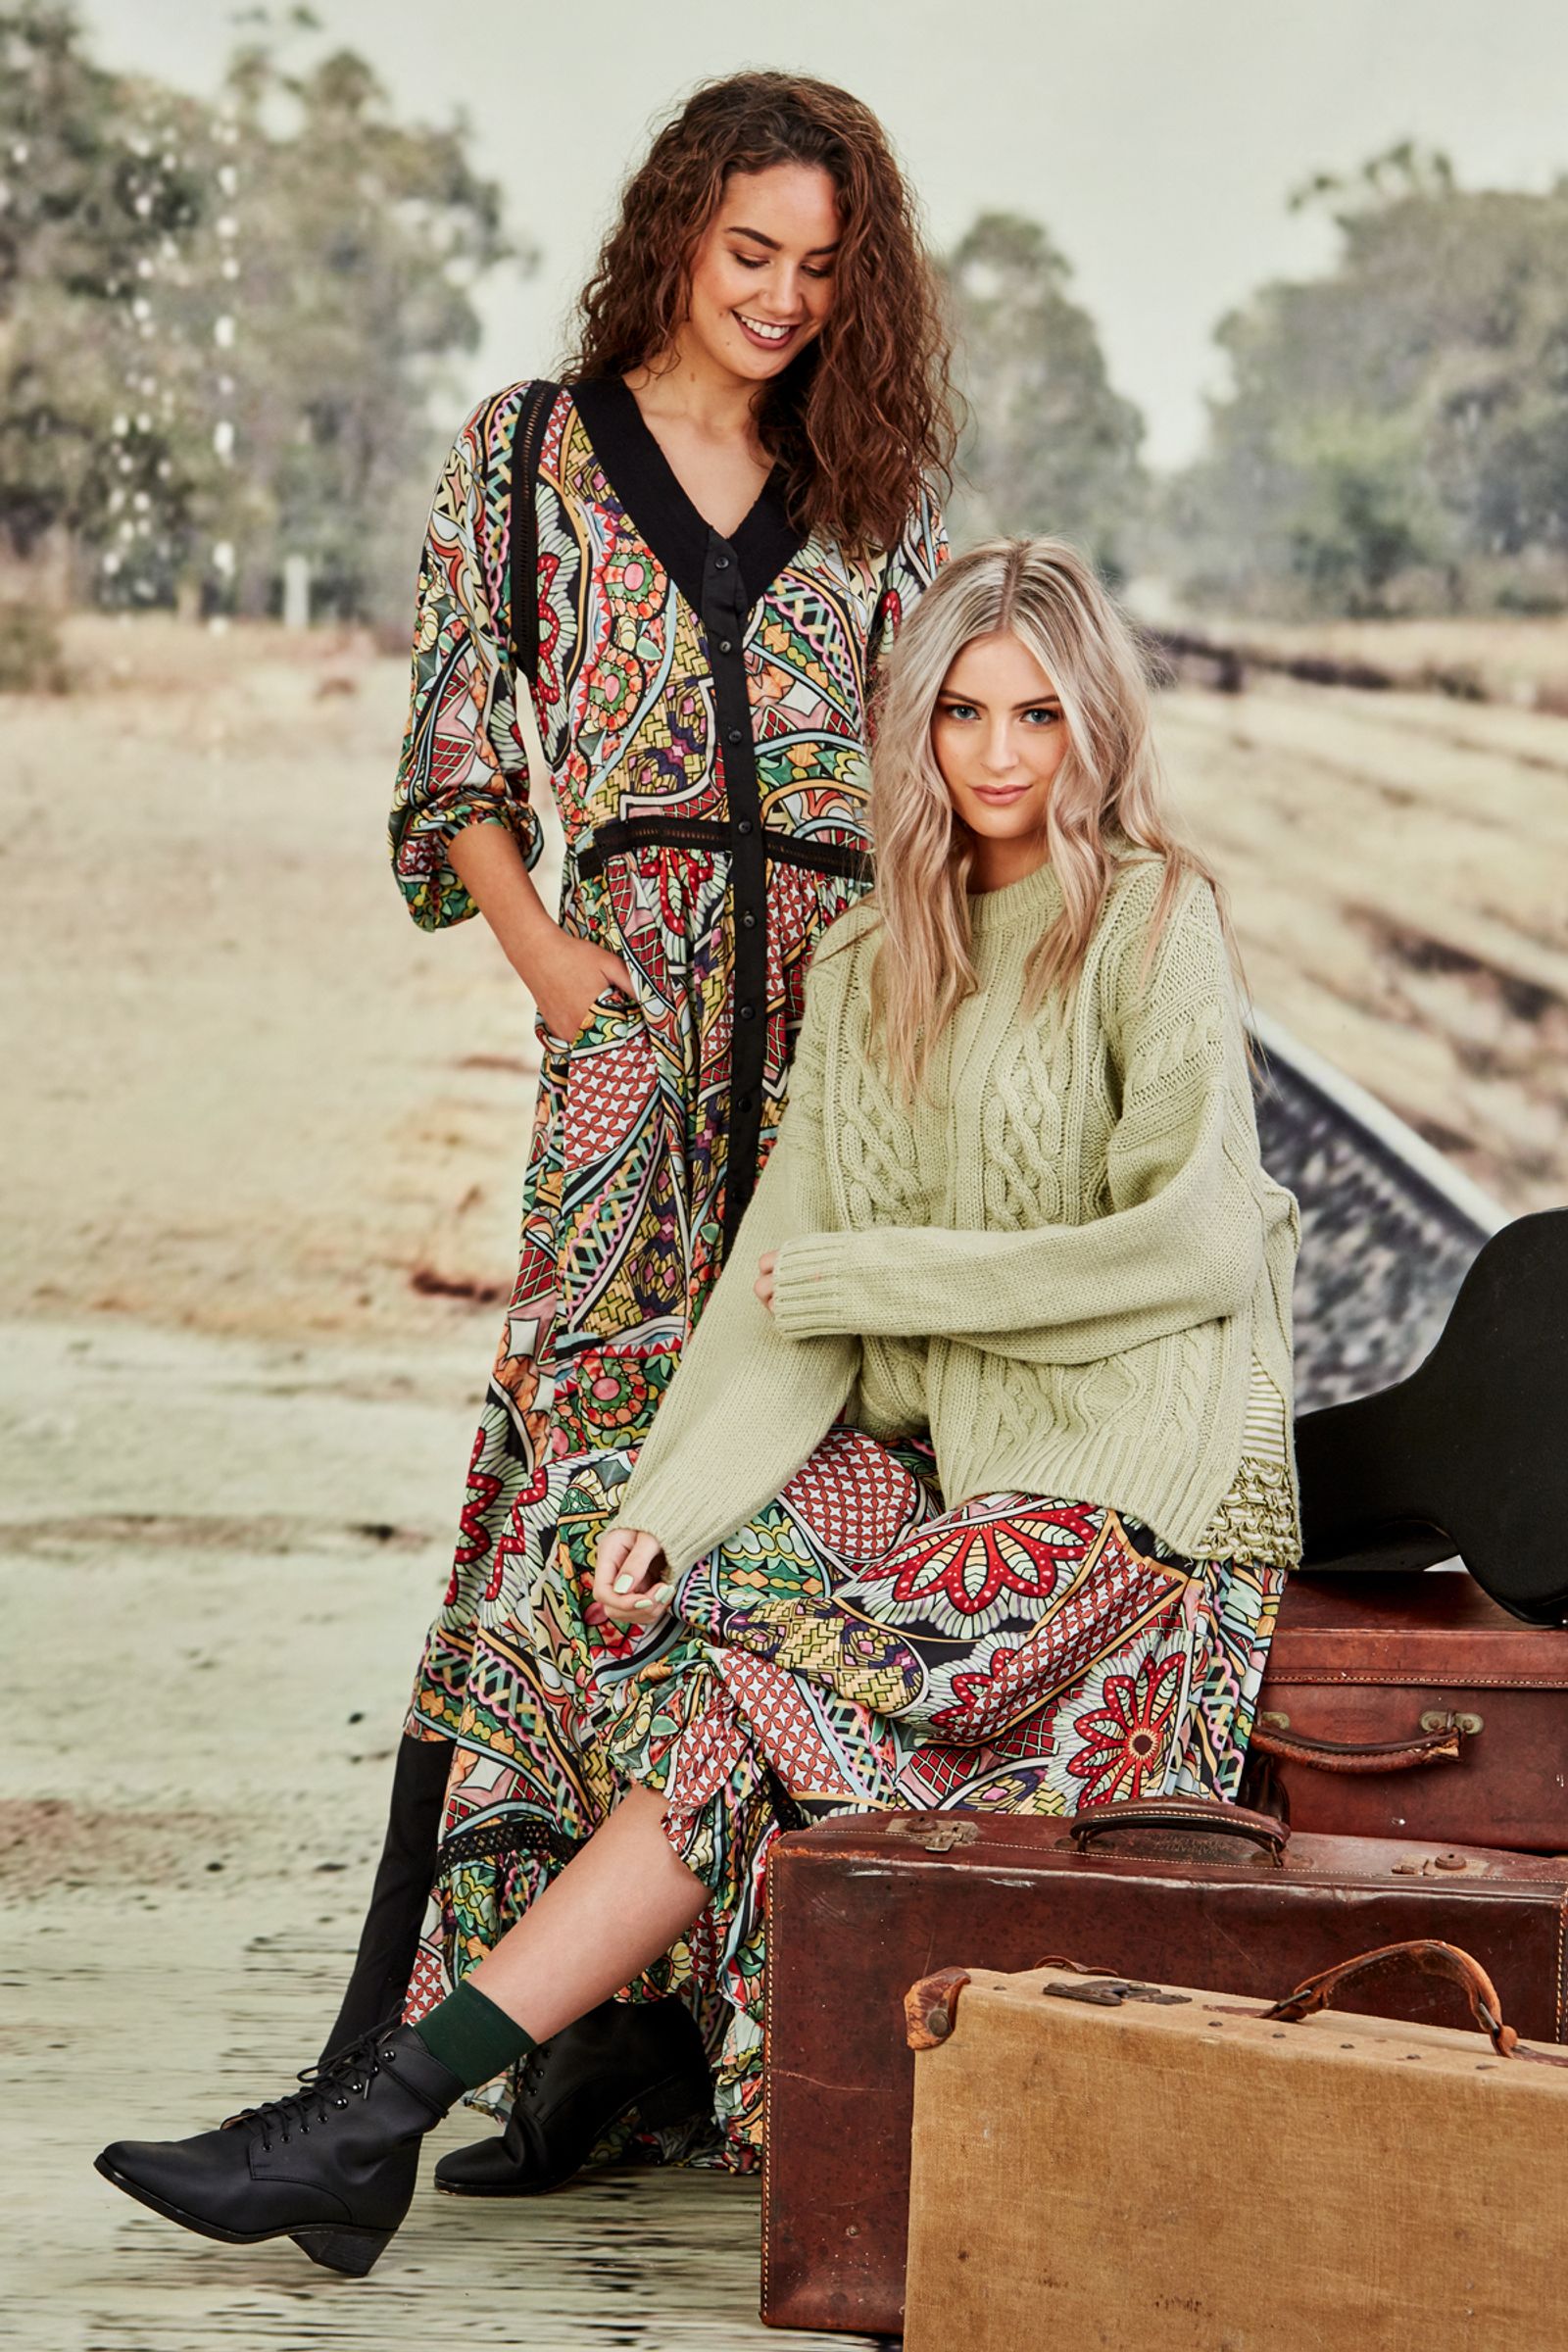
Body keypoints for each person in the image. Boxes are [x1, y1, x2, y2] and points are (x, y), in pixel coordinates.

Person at [96, 536, 1300, 2274]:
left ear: (1097, 724)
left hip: (1146, 1502)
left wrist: (888, 1280)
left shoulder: (1152, 917)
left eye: (1040, 714)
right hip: (981, 1483)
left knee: (746, 1691)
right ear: (917, 728)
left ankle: (374, 2114)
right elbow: (779, 1298)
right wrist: (665, 1509)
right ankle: (461, 2093)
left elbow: (1196, 1239)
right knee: (587, 1572)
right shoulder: (873, 961)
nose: (1001, 754)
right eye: (963, 712)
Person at [321, 69, 956, 2180]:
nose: (780, 298)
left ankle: (685, 2045)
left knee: (797, 1500)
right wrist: (550, 969)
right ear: (677, 230)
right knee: (578, 1500)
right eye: (748, 250)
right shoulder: (526, 454)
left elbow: (938, 780)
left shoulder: (870, 493)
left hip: (841, 1054)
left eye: (821, 268)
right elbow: (451, 759)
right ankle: (520, 2041)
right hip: (629, 1043)